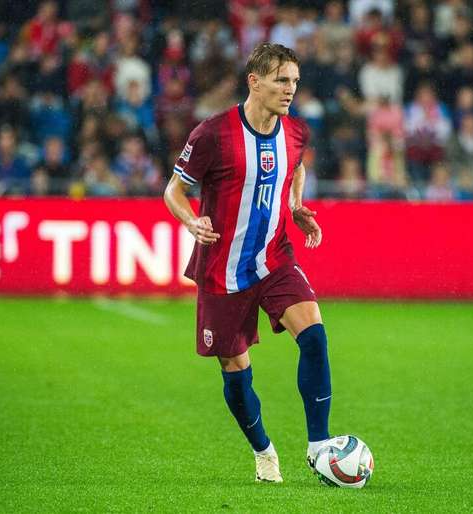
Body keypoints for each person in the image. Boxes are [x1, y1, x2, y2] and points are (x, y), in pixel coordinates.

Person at [163, 43, 331, 484]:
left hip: (275, 257)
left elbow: (296, 167)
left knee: (314, 334)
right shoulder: (212, 134)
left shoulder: (295, 132)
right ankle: (264, 452)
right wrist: (190, 220)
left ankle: (319, 446)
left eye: (294, 80)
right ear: (254, 82)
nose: (290, 89)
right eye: (281, 80)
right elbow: (173, 192)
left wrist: (295, 206)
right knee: (236, 372)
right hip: (222, 269)